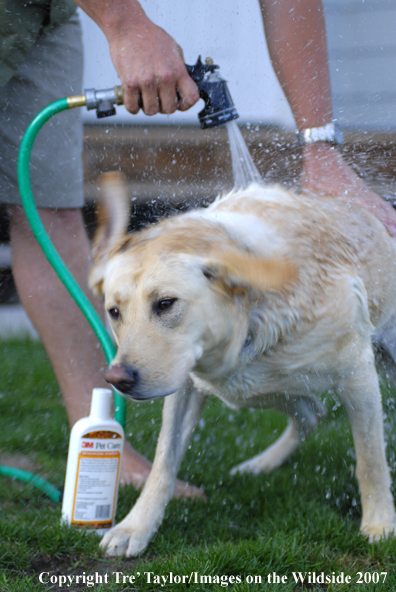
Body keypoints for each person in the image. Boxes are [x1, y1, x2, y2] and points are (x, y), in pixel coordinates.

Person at [1, 0, 395, 494]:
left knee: (48, 208)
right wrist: (126, 25)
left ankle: (104, 445)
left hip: (46, 11)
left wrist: (320, 148)